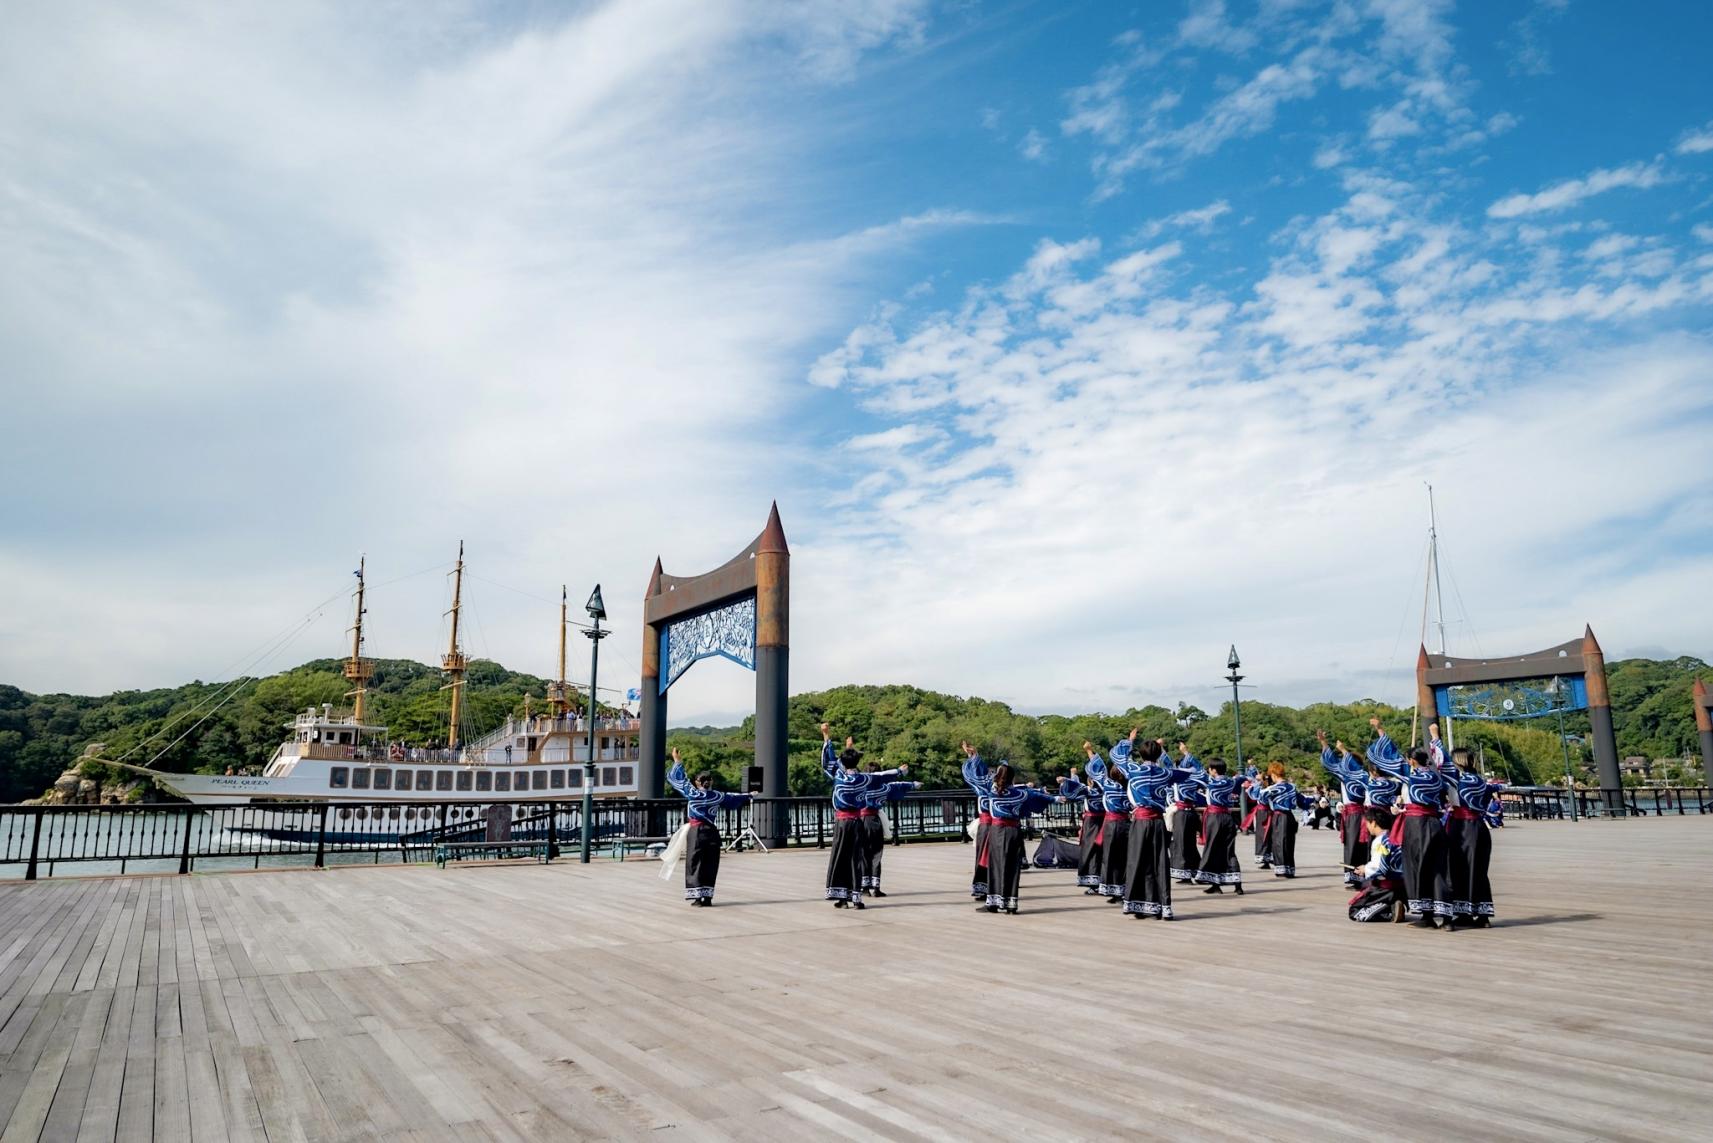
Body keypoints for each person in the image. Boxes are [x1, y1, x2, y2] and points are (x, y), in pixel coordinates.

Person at [1367, 717, 1451, 928]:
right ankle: (1447, 917)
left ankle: (1427, 916)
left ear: (1412, 761)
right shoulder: (1436, 776)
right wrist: (1435, 738)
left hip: (1416, 825)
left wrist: (1380, 730)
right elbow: (1443, 759)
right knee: (1438, 868)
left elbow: (1387, 756)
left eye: (1408, 760)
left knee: (1417, 867)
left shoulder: (1411, 775)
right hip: (1435, 823)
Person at [821, 724, 906, 909]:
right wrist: (899, 771)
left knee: (840, 857)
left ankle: (842, 898)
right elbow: (881, 776)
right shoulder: (863, 778)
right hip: (857, 822)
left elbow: (830, 763)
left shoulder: (839, 777)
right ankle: (856, 897)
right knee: (856, 858)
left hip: (843, 823)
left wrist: (827, 736)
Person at [1111, 734, 1191, 920]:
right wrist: (1163, 752)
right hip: (1157, 822)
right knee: (1160, 862)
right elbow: (1190, 772)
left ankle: (1139, 905)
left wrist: (1129, 741)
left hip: (1140, 821)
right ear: (1157, 755)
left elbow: (1116, 755)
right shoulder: (1165, 773)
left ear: (1141, 754)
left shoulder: (1134, 770)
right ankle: (1164, 906)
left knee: (1137, 861)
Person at [666, 749, 752, 906]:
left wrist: (677, 761)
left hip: (696, 831)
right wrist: (751, 794)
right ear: (710, 782)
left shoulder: (692, 793)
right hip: (711, 831)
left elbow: (678, 780)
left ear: (697, 783)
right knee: (711, 862)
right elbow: (734, 798)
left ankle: (698, 897)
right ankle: (708, 897)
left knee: (695, 862)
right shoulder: (717, 796)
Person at [979, 764, 1060, 914]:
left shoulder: (992, 792)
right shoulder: (1020, 794)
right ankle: (1011, 903)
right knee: (1012, 866)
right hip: (1014, 831)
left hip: (997, 830)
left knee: (996, 864)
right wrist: (1055, 799)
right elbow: (1036, 796)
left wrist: (973, 757)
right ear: (1012, 778)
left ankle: (994, 902)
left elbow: (977, 779)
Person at [1443, 745, 1498, 926]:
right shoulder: (1480, 780)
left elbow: (1441, 761)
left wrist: (1434, 736)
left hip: (1462, 827)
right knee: (1479, 871)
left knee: (1459, 870)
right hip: (1479, 827)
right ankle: (1483, 915)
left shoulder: (1458, 779)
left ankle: (1464, 912)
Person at [1319, 732, 1372, 887]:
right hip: (1349, 814)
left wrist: (1343, 750)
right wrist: (1324, 743)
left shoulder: (1361, 775)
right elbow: (1331, 763)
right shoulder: (1346, 775)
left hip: (1357, 813)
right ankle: (1352, 874)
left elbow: (1348, 766)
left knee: (1358, 844)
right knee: (1351, 844)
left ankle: (1359, 874)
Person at [1185, 756, 1244, 894]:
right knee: (1230, 851)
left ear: (1213, 770)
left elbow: (1197, 769)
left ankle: (1215, 884)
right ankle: (1237, 885)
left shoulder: (1210, 781)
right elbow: (1242, 779)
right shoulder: (1230, 781)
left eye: (1210, 769)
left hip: (1214, 817)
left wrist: (1187, 753)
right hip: (1227, 817)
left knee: (1213, 849)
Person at [860, 765, 921, 898]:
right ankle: (876, 888)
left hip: (861, 821)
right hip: (875, 820)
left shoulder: (861, 785)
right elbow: (897, 786)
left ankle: (864, 888)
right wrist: (913, 784)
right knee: (876, 854)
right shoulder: (884, 788)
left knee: (863, 854)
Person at [1244, 763, 1311, 878]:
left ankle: (1282, 869)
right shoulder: (1292, 786)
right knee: (1289, 843)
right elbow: (1302, 801)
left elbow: (1256, 796)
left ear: (1274, 774)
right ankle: (1289, 869)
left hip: (1279, 816)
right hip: (1290, 816)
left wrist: (1258, 782)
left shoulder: (1274, 788)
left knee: (1279, 842)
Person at [1084, 741, 1130, 903]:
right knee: (1125, 857)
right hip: (1126, 824)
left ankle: (1113, 889)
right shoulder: (1129, 787)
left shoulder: (1108, 785)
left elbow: (1098, 770)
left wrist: (1090, 751)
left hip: (1111, 824)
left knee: (1110, 857)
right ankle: (1125, 889)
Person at [1347, 808, 1406, 922]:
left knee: (1354, 911)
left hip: (1386, 887)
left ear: (1373, 823)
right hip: (1401, 886)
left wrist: (1365, 869)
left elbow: (1379, 867)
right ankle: (1393, 905)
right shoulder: (1395, 838)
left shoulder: (1380, 841)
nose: (1367, 827)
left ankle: (1389, 910)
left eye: (1367, 823)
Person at [1058, 768, 1103, 893]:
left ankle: (1094, 883)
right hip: (1105, 822)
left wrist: (1066, 780)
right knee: (1102, 852)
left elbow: (1072, 791)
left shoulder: (1088, 791)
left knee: (1090, 851)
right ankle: (1105, 882)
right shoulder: (1106, 790)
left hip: (1091, 823)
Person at [1168, 742, 1204, 884]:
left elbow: (1165, 765)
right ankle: (1196, 871)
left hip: (1182, 813)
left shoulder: (1179, 780)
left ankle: (1185, 874)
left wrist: (1162, 749)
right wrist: (1186, 753)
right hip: (1192, 813)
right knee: (1190, 843)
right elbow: (1200, 768)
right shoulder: (1194, 779)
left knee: (1181, 844)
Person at [961, 741, 994, 900]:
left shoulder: (984, 789)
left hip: (987, 826)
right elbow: (976, 775)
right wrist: (973, 756)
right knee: (992, 857)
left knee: (983, 857)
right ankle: (993, 888)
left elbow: (974, 776)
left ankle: (984, 888)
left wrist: (973, 756)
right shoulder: (994, 789)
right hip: (993, 826)